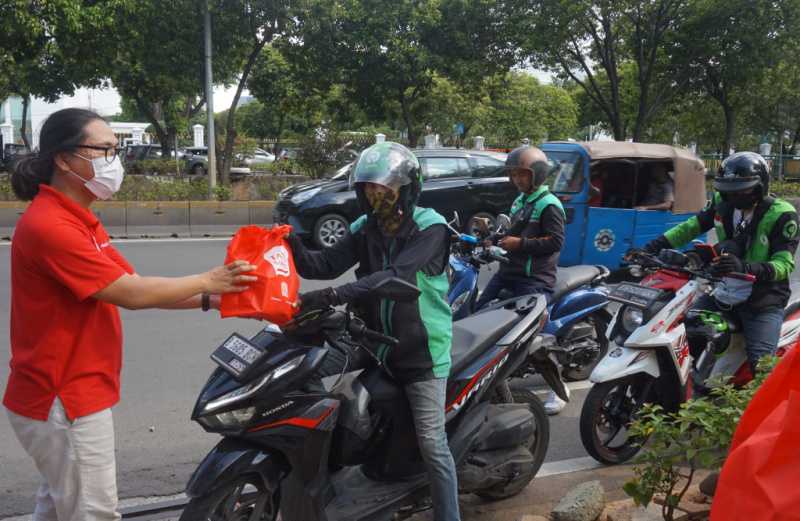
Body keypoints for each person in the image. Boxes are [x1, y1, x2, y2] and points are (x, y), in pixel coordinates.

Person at [3, 108, 256, 521]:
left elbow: (135, 284)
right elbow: (131, 294)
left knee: (57, 507)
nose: (113, 160)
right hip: (64, 396)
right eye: (103, 149)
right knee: (93, 512)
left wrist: (215, 300)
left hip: (64, 394)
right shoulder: (52, 226)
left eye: (115, 150)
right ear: (65, 160)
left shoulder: (80, 221)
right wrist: (209, 280)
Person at [287, 142, 460, 521]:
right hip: (372, 340)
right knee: (305, 369)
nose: (373, 195)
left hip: (420, 351)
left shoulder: (431, 228)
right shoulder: (366, 227)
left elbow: (393, 277)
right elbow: (325, 264)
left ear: (407, 189)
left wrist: (332, 296)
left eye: (382, 188)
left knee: (433, 446)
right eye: (367, 188)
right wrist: (290, 242)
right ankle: (334, 466)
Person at [635, 151, 799, 373]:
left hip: (762, 302)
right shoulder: (723, 202)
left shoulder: (781, 215)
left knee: (762, 368)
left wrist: (746, 268)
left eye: (742, 191)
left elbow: (784, 264)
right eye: (729, 191)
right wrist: (653, 246)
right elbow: (693, 226)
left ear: (761, 186)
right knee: (682, 330)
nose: (734, 197)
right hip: (722, 293)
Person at [473, 145, 570, 415]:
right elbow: (510, 233)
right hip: (509, 272)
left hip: (535, 278)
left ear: (537, 175)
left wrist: (521, 243)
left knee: (537, 336)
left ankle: (558, 388)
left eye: (522, 175)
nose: (517, 180)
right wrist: (489, 238)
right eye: (514, 175)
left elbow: (555, 243)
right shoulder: (520, 202)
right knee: (477, 309)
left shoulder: (549, 205)